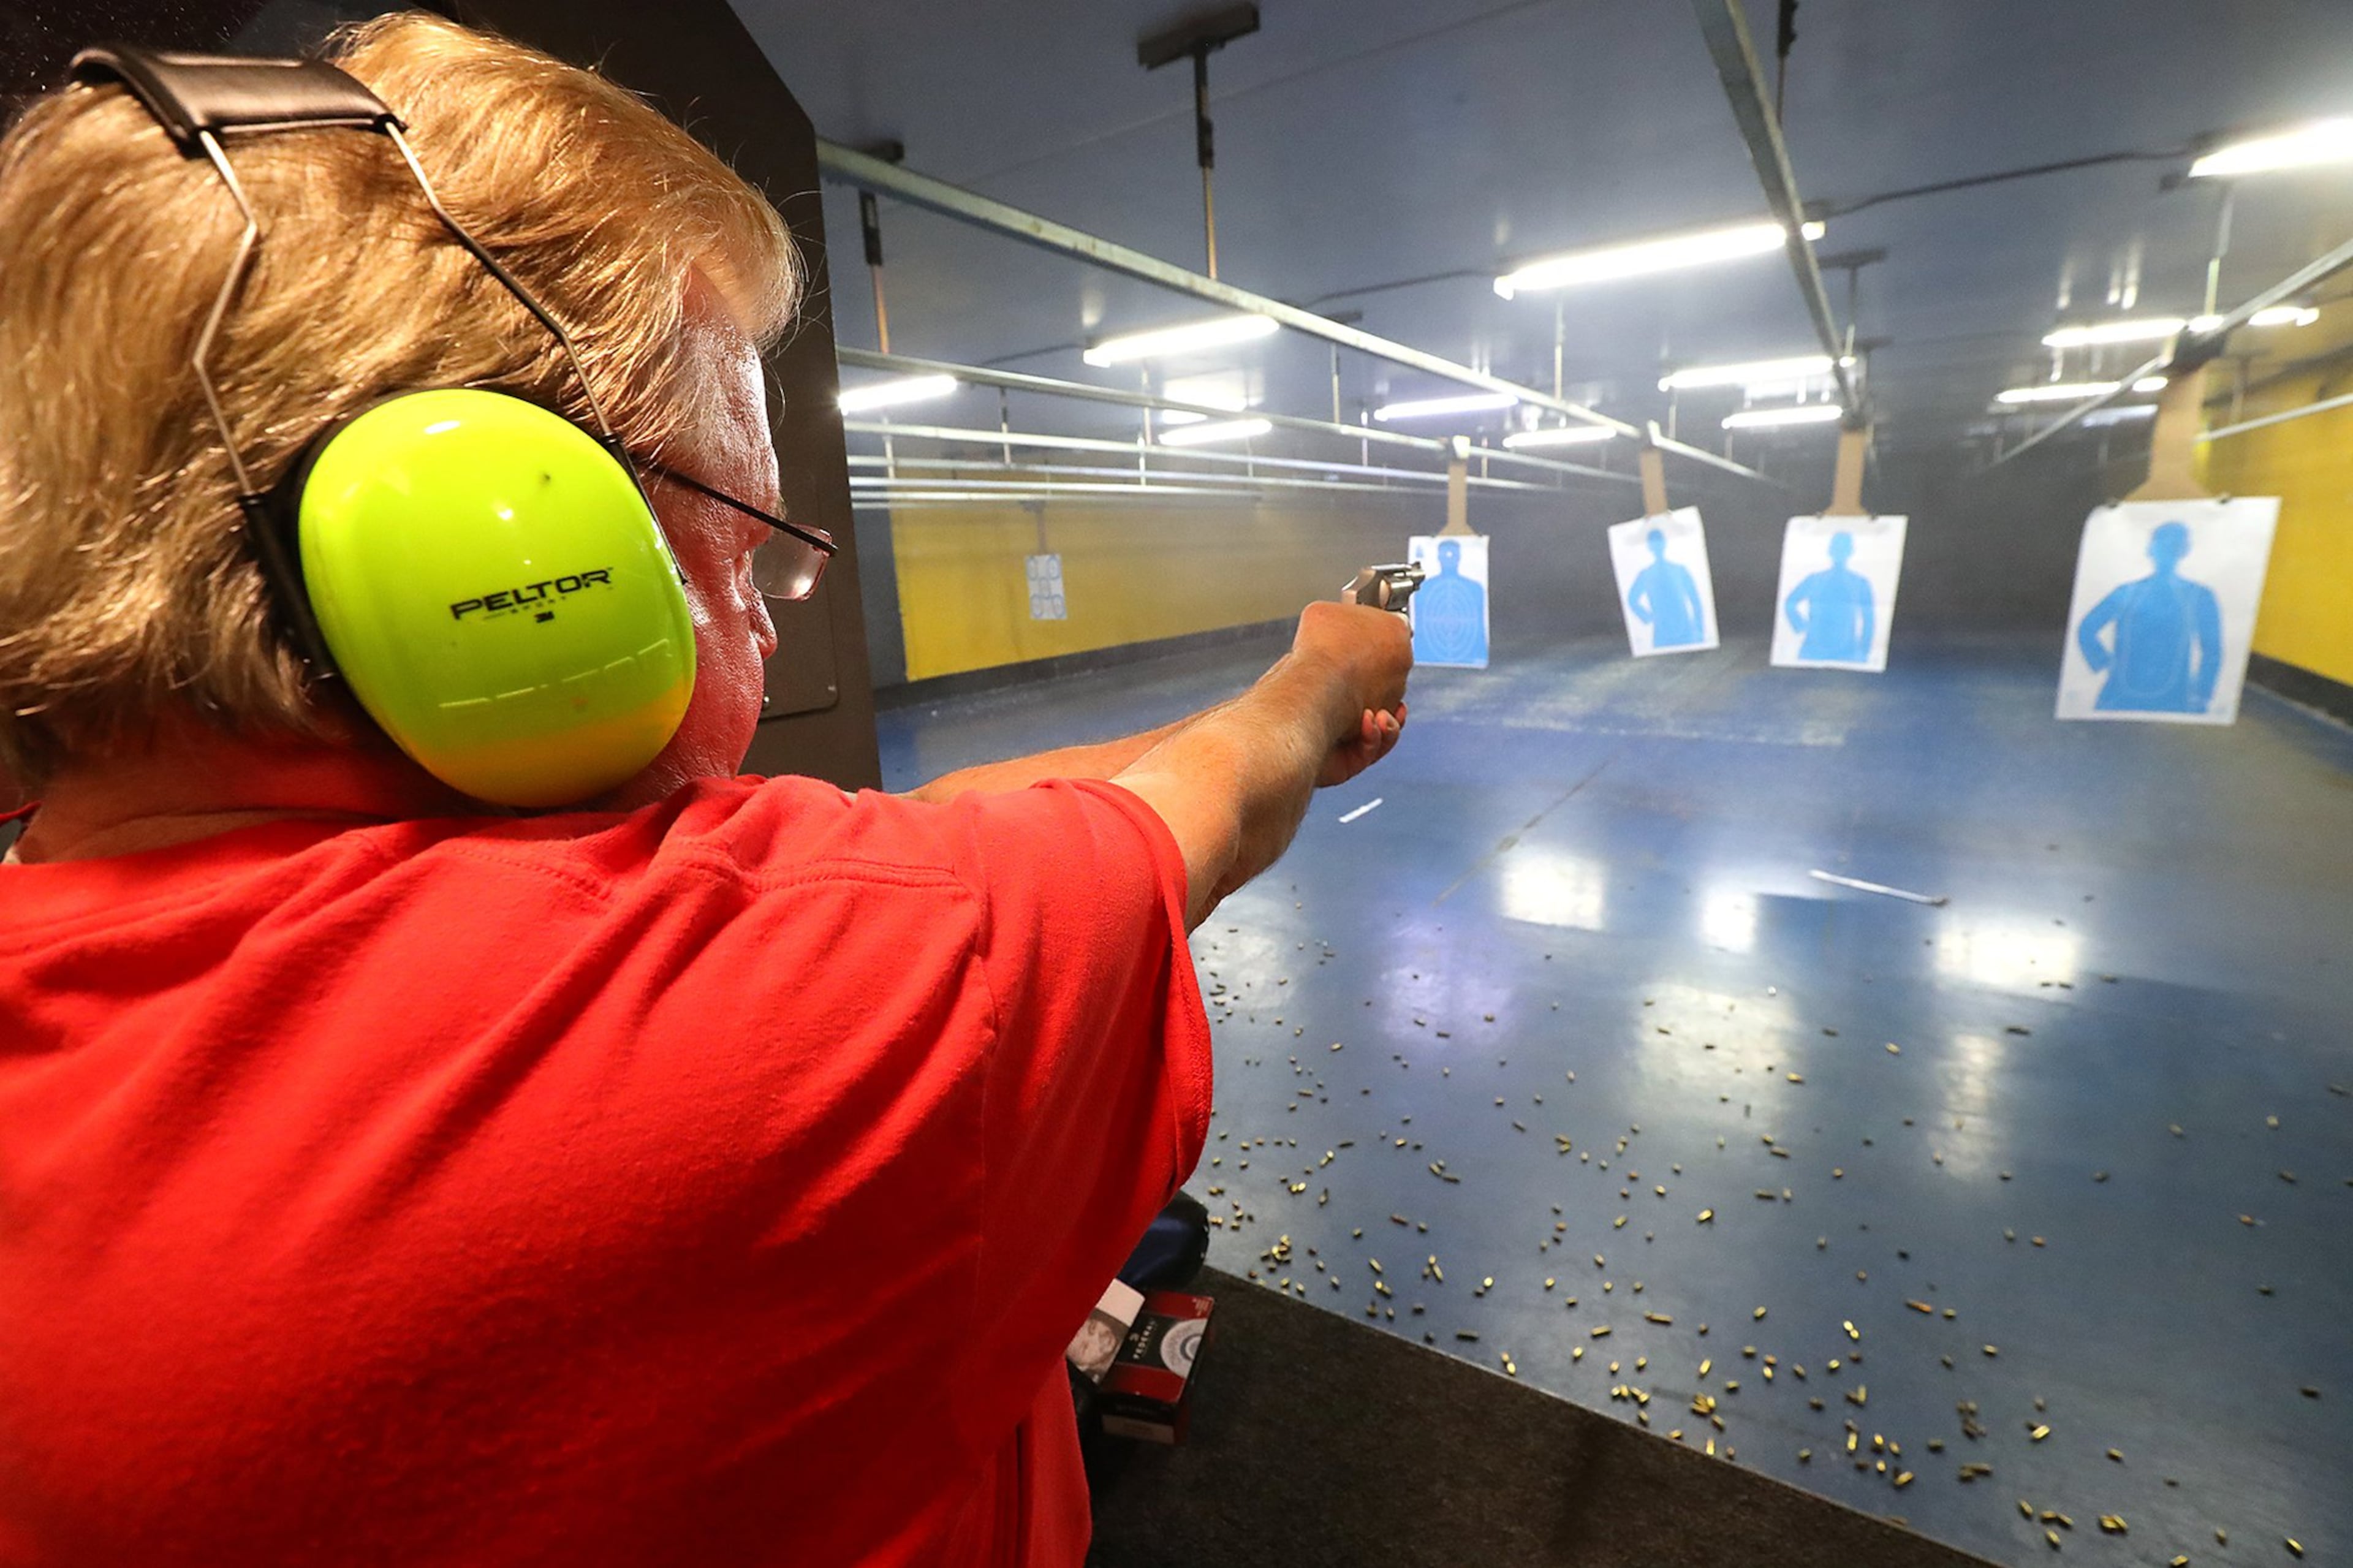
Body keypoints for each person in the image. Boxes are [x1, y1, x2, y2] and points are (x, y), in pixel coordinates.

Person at [0, 18, 1410, 1567]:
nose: (751, 617)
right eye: (739, 551)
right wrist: (1318, 672)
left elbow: (915, 845)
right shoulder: (800, 1014)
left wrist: (1248, 710)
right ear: (502, 567)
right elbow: (1193, 817)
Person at [2075, 520, 2223, 712]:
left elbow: (2212, 649)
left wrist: (2202, 692)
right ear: (2151, 549)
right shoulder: (2126, 592)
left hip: (2176, 697)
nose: (2167, 552)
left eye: (2173, 546)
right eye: (2163, 544)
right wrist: (2104, 662)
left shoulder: (2200, 596)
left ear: (2183, 551)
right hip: (2121, 693)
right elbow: (2086, 628)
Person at [1782, 529, 1874, 663]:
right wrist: (1801, 625)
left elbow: (1869, 620)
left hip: (1847, 652)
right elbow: (1790, 603)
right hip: (1813, 650)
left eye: (1843, 548)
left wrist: (1864, 651)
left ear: (1850, 552)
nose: (1839, 552)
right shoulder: (1814, 580)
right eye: (1836, 547)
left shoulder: (1860, 584)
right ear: (1830, 550)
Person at [1410, 537, 1488, 666]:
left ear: (1459, 557)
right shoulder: (1425, 587)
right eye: (1445, 554)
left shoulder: (1475, 588)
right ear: (1439, 557)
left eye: (1453, 554)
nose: (1449, 558)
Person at [1626, 526, 1706, 649]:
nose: (1657, 546)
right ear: (1649, 547)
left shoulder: (1680, 570)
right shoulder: (1646, 574)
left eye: (1659, 542)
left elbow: (1695, 601)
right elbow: (1632, 599)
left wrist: (1700, 631)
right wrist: (1647, 617)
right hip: (1662, 633)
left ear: (1664, 543)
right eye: (1653, 543)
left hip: (1686, 631)